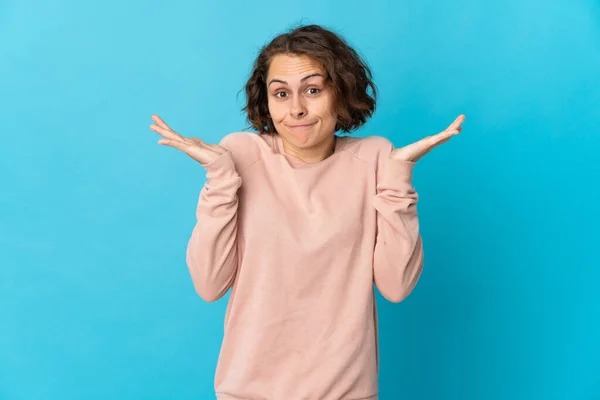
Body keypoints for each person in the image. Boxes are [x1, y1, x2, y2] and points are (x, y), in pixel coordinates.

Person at [149, 24, 464, 400]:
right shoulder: (242, 156)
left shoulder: (375, 159)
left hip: (346, 392)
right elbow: (209, 284)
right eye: (281, 93)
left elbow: (396, 287)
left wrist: (398, 181)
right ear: (266, 101)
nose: (296, 108)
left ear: (341, 92)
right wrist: (219, 180)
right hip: (248, 391)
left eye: (312, 90)